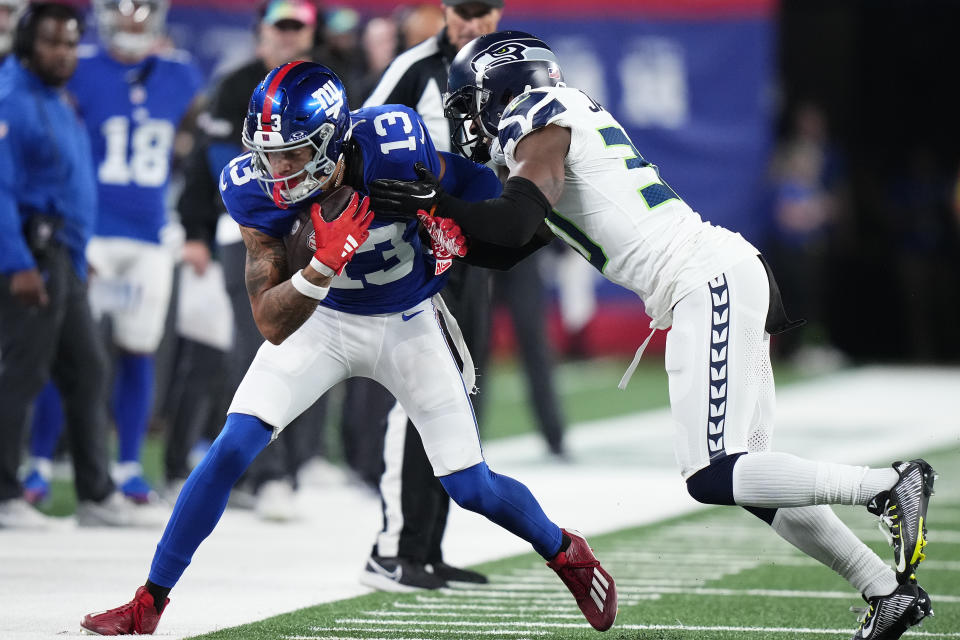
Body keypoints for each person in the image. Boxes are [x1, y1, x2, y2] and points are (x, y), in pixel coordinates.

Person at [369, 30, 937, 640]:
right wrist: (441, 231)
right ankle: (884, 589)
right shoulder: (559, 117)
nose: (466, 119)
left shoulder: (535, 119)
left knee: (713, 474)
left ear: (495, 90)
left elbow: (511, 222)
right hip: (715, 275)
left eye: (466, 102)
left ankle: (885, 484)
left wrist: (436, 201)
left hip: (703, 279)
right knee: (754, 478)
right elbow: (515, 244)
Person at [79, 61, 617, 635]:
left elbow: (486, 196)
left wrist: (452, 227)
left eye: (292, 153)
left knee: (471, 487)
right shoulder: (249, 188)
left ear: (332, 141)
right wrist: (319, 266)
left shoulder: (394, 143)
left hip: (409, 320)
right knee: (232, 447)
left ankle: (565, 551)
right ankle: (149, 602)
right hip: (323, 321)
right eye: (269, 153)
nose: (276, 170)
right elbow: (269, 320)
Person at [356, 0, 566, 593]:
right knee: (416, 397)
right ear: (443, 10)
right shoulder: (412, 70)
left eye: (482, 11)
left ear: (499, 12)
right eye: (462, 11)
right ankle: (391, 547)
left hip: (470, 249)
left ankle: (428, 546)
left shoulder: (511, 69)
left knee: (458, 397)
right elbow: (359, 148)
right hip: (422, 252)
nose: (471, 23)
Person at [18, 0, 204, 506]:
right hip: (92, 232)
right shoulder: (81, 68)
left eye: (141, 10)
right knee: (68, 352)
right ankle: (37, 460)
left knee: (137, 349)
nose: (132, 20)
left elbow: (199, 139)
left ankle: (127, 466)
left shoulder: (180, 74)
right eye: (123, 10)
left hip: (149, 233)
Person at [0, 2, 161, 529]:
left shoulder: (52, 97)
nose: (63, 53)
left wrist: (74, 254)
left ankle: (95, 494)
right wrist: (18, 261)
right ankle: (5, 493)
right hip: (28, 254)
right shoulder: (11, 97)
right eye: (51, 42)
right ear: (27, 44)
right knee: (21, 374)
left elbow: (67, 186)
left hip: (59, 255)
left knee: (88, 369)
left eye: (70, 43)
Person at [177, 0, 331, 519]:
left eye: (297, 27)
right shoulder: (232, 84)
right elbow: (219, 171)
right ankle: (267, 473)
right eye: (279, 27)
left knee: (321, 339)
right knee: (260, 344)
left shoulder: (323, 83)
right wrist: (195, 230)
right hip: (249, 228)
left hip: (313, 231)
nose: (287, 37)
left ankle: (301, 460)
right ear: (259, 32)